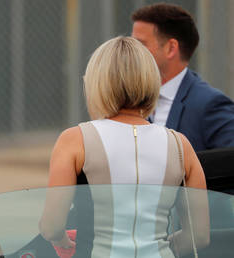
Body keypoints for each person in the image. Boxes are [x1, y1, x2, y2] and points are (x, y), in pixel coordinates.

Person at [39, 37, 209, 257]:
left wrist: (64, 242)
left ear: (96, 83)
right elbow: (200, 236)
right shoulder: (180, 145)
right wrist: (163, 248)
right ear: (151, 80)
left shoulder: (74, 140)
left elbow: (51, 226)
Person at [131, 3, 234, 152]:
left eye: (140, 44)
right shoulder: (128, 98)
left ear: (171, 48)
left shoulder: (210, 105)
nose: (131, 52)